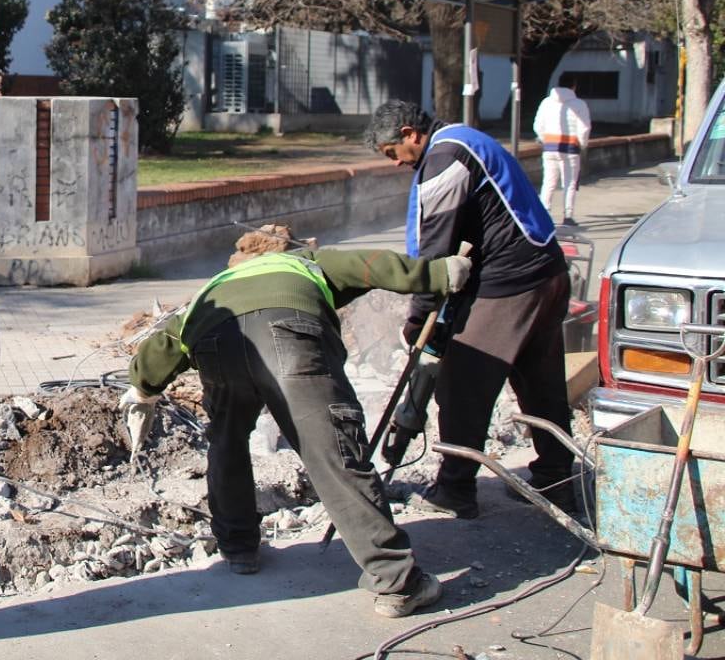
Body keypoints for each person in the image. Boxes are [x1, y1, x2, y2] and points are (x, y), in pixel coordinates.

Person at [121, 241, 473, 618]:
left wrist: (143, 389)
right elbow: (368, 265)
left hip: (216, 342)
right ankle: (396, 581)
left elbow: (167, 342)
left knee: (227, 442)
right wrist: (436, 275)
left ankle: (239, 549)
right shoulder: (306, 262)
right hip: (286, 332)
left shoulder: (216, 286)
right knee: (331, 449)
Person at [364, 99, 576, 520]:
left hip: (512, 285)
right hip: (546, 273)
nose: (394, 164)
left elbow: (436, 252)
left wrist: (421, 316)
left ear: (410, 134)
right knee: (541, 382)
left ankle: (455, 488)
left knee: (461, 385)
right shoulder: (465, 137)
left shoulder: (445, 157)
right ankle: (557, 480)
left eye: (392, 153)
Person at [533, 76, 592, 226]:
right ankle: (568, 216)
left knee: (548, 182)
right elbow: (584, 128)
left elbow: (538, 126)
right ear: (574, 86)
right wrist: (582, 144)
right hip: (571, 148)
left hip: (550, 147)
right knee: (569, 183)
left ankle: (544, 213)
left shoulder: (546, 103)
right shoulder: (579, 104)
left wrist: (544, 139)